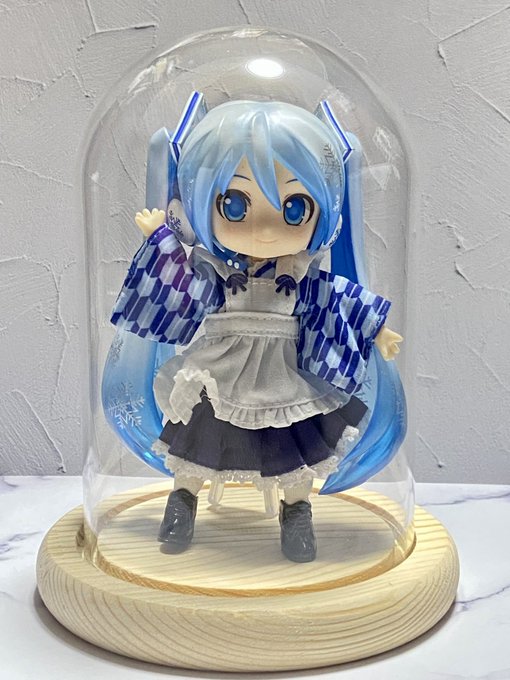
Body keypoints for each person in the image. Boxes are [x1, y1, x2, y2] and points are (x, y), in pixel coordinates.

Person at [111, 98, 402, 562]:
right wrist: (162, 240)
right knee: (197, 441)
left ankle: (297, 512)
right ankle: (182, 503)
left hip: (282, 376)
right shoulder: (218, 275)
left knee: (294, 449)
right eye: (234, 204)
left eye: (294, 209)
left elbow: (342, 297)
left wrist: (377, 330)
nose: (265, 228)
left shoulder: (302, 277)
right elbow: (183, 291)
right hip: (220, 369)